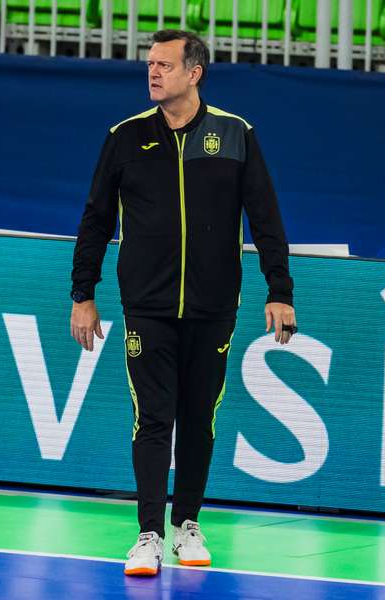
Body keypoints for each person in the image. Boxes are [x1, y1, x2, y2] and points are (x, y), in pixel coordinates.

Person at [70, 29, 296, 577]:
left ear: (194, 73)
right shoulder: (125, 137)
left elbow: (265, 217)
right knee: (153, 418)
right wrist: (83, 294)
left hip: (213, 305)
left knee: (199, 418)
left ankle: (186, 524)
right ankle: (148, 534)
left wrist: (279, 291)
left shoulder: (235, 134)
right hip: (146, 306)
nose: (152, 73)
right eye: (150, 64)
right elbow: (96, 219)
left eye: (164, 65)